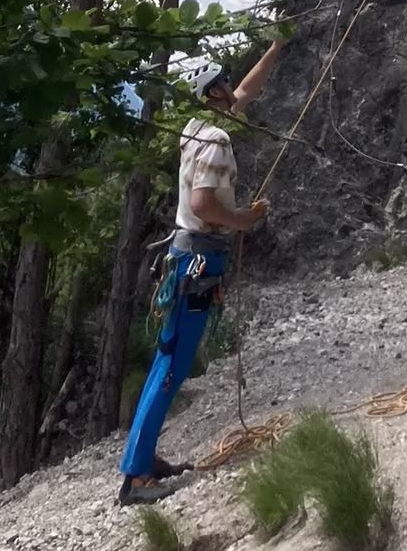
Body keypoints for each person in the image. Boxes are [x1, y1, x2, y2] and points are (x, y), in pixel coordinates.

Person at [117, 38, 283, 506]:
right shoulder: (216, 140)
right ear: (214, 93)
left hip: (185, 255)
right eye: (225, 82)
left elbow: (246, 94)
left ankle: (142, 460)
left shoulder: (196, 128)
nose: (234, 87)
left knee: (164, 362)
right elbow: (202, 203)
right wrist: (244, 220)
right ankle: (135, 478)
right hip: (201, 258)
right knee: (171, 368)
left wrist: (274, 49)